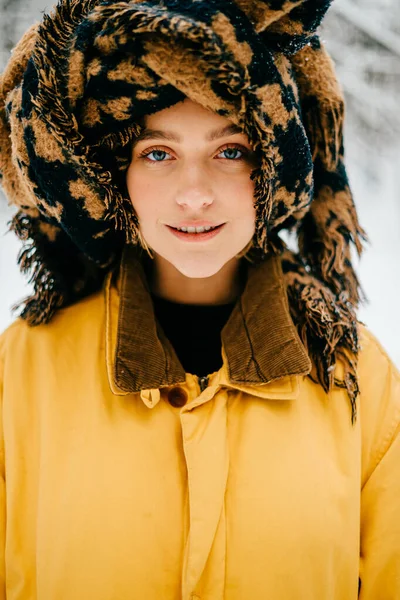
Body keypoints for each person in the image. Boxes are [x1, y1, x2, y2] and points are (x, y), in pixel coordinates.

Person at [0, 0, 399, 598]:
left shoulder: (355, 377)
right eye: (157, 153)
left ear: (271, 167)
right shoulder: (23, 372)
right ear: (116, 176)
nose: (194, 195)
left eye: (229, 151)